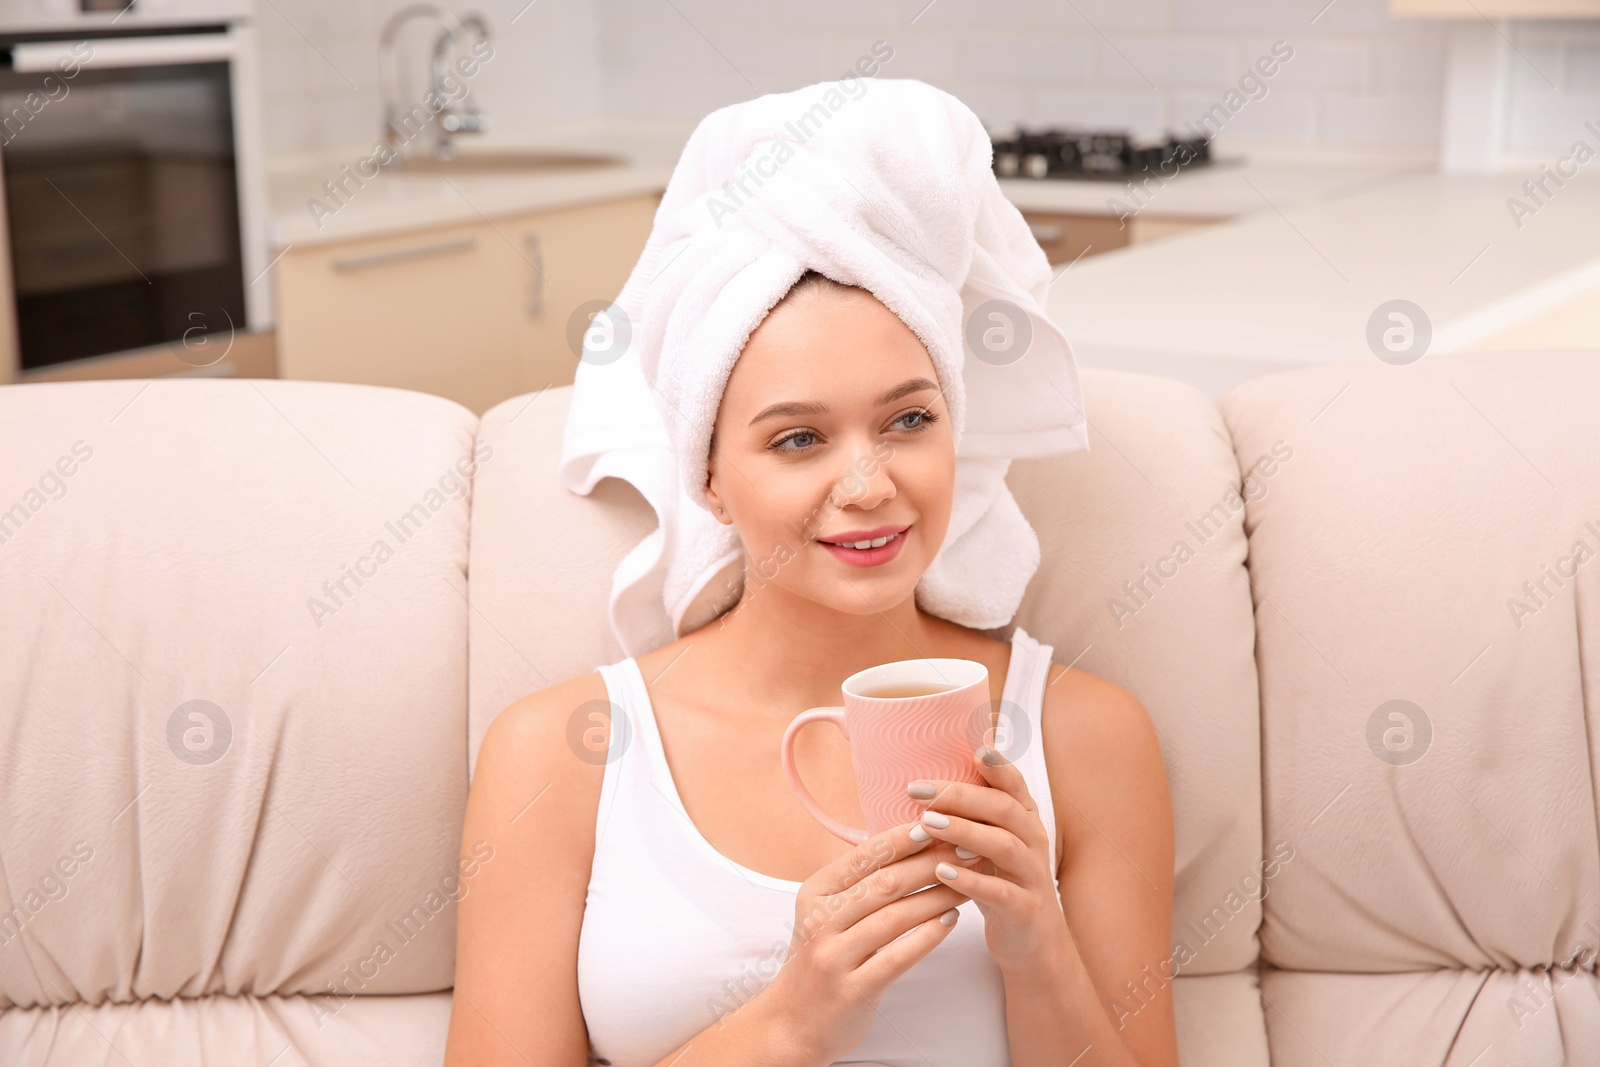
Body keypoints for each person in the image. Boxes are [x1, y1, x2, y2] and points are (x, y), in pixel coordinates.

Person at [443, 262, 1177, 1065]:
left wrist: (1041, 953)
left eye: (908, 420)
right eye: (799, 437)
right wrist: (790, 1021)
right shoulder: (560, 752)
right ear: (711, 480)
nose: (868, 485)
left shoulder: (1087, 734)